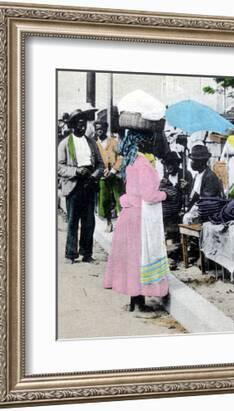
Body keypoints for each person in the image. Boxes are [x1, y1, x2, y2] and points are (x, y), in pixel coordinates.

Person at [103, 129, 170, 312]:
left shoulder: (131, 162)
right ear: (142, 143)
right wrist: (165, 194)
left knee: (131, 259)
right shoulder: (143, 164)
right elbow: (149, 195)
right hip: (139, 217)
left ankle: (134, 302)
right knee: (140, 258)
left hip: (128, 214)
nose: (152, 144)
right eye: (149, 141)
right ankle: (140, 305)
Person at [57, 109, 104, 263]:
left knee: (89, 221)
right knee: (72, 221)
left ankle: (87, 253)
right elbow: (59, 167)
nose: (82, 127)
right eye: (79, 124)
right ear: (72, 126)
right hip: (74, 185)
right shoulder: (65, 143)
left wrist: (94, 175)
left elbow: (100, 164)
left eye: (84, 124)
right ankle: (71, 254)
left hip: (89, 183)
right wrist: (76, 171)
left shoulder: (91, 142)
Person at [182, 145, 224, 224]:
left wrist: (191, 206)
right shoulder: (197, 175)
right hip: (197, 208)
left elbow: (207, 200)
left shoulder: (210, 177)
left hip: (207, 212)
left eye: (194, 161)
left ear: (201, 162)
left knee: (186, 218)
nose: (192, 163)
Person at [94, 120, 123, 232]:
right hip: (102, 176)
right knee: (105, 200)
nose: (99, 131)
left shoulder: (113, 142)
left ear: (105, 129)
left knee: (119, 199)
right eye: (97, 129)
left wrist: (114, 171)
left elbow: (121, 157)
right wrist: (101, 171)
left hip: (115, 175)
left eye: (101, 128)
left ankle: (122, 223)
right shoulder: (95, 144)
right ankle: (109, 222)